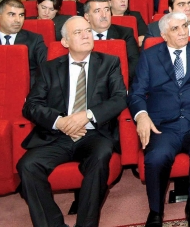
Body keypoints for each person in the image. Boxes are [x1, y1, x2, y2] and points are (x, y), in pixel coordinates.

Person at [18, 14, 127, 227]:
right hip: (57, 135)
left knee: (100, 157)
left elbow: (120, 98)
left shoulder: (109, 63)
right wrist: (60, 122)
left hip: (94, 134)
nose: (86, 35)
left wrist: (86, 115)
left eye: (88, 31)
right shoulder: (49, 68)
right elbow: (30, 106)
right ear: (65, 42)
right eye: (78, 32)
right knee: (28, 165)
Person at [129, 12, 190, 227]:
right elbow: (136, 93)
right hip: (163, 125)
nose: (183, 32)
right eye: (175, 29)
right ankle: (156, 211)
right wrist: (141, 115)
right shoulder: (150, 56)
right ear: (164, 35)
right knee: (156, 157)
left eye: (184, 26)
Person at [0, 0, 48, 86]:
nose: (18, 20)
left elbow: (45, 72)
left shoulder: (35, 40)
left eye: (21, 15)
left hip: (28, 89)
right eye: (12, 14)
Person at [81, 0, 140, 80]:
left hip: (117, 82)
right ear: (87, 17)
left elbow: (134, 63)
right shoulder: (81, 36)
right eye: (97, 11)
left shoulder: (125, 33)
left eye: (107, 10)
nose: (104, 15)